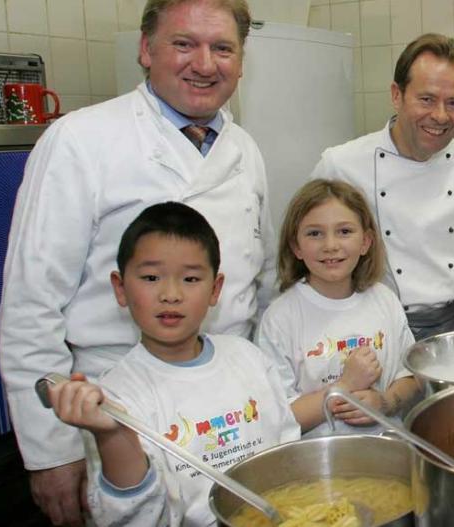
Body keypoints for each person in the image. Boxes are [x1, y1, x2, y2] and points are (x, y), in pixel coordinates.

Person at [0, 1, 275, 524]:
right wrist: (52, 453)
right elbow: (31, 306)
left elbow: (258, 285)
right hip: (116, 410)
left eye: (222, 48)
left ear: (241, 62)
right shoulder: (80, 141)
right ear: (146, 49)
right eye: (183, 43)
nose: (205, 63)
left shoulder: (245, 149)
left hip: (230, 410)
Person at [46, 203, 299, 526]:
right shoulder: (114, 398)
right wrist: (112, 436)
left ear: (215, 289)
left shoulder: (249, 360)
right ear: (120, 288)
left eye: (191, 278)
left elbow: (290, 457)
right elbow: (133, 519)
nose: (171, 294)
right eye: (151, 277)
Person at [308, 33, 454, 342]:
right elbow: (308, 249)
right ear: (397, 95)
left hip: (450, 330)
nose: (440, 116)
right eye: (426, 99)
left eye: (452, 103)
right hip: (368, 332)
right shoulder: (341, 165)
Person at [256, 179, 419, 437]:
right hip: (317, 461)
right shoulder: (280, 318)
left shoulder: (384, 300)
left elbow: (410, 379)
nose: (330, 245)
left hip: (388, 448)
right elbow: (280, 419)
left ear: (365, 242)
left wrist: (383, 403)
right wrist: (343, 387)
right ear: (296, 246)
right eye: (314, 233)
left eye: (344, 231)